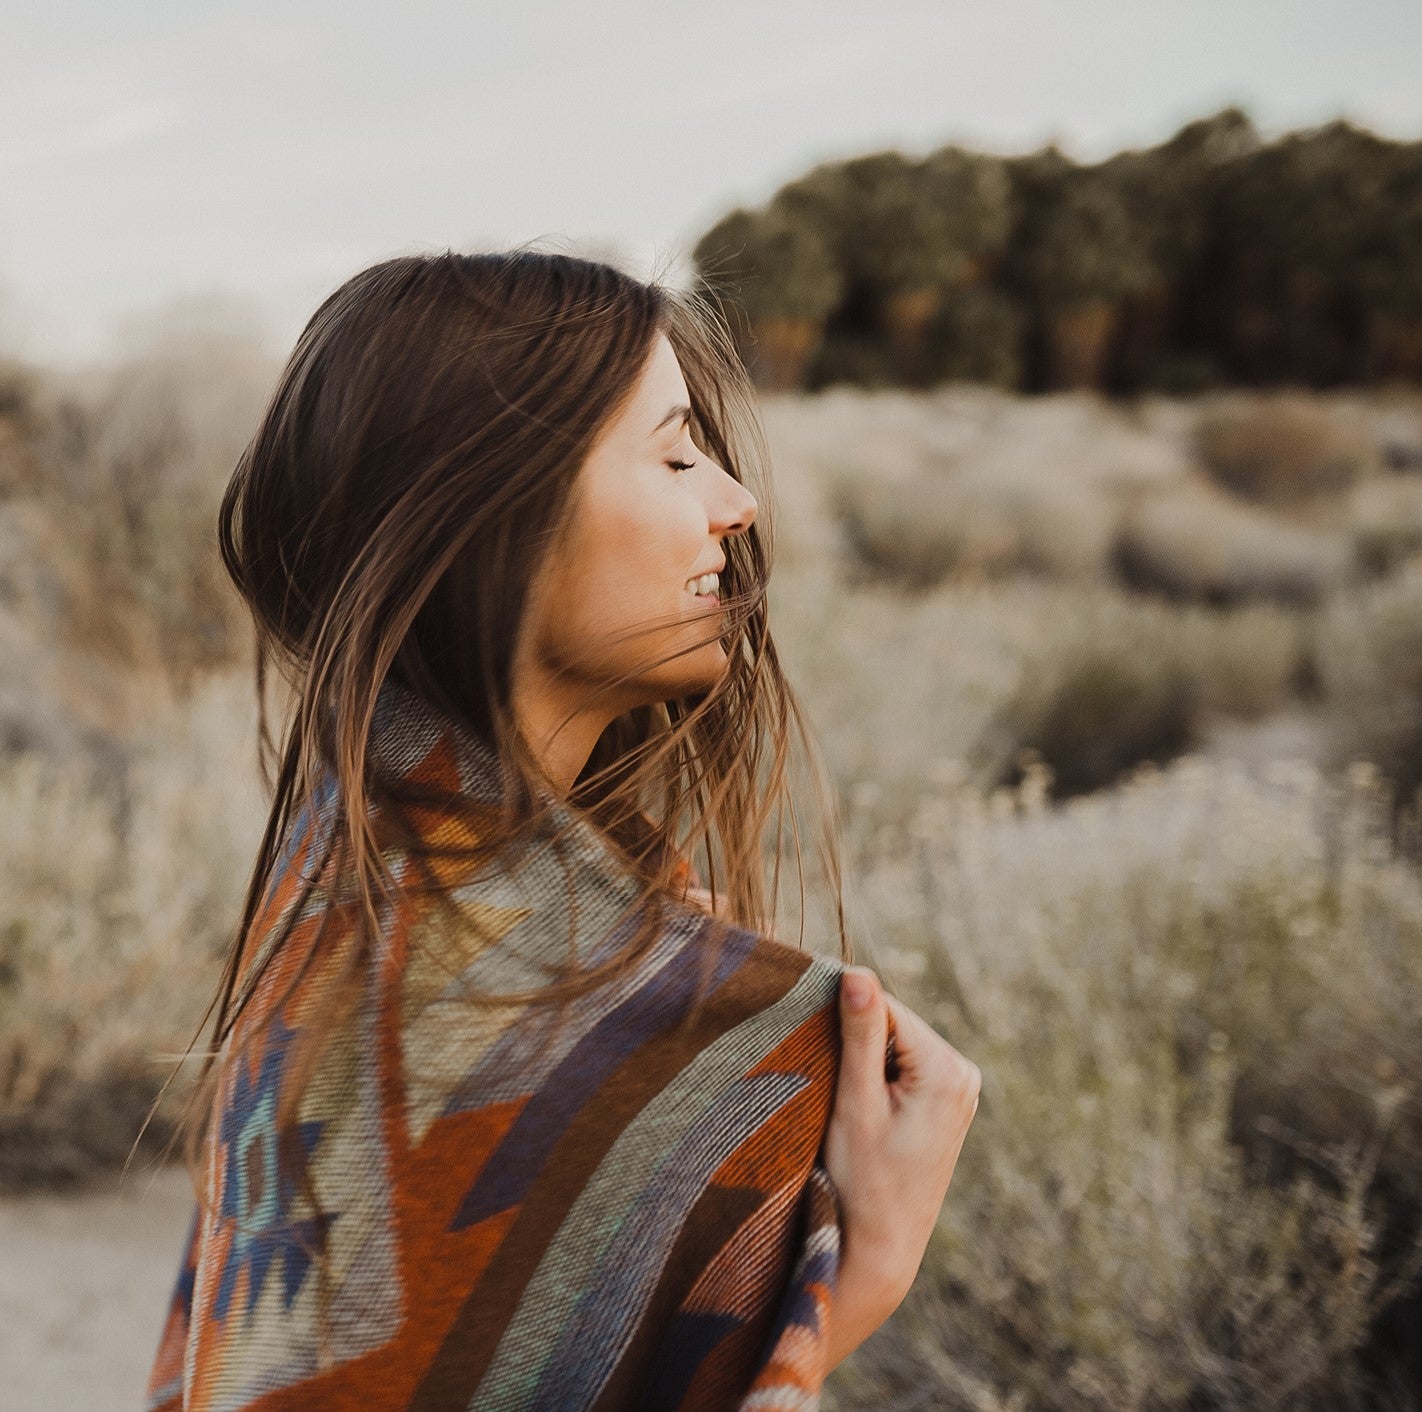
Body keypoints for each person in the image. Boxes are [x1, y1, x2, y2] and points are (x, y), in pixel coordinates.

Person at [139, 247, 981, 1410]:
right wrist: (861, 1281)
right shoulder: (710, 1058)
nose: (735, 501)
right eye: (676, 454)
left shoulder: (334, 882)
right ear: (494, 514)